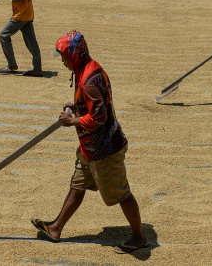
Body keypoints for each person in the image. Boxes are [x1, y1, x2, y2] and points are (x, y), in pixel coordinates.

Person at [31, 31, 147, 254]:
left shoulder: (88, 81)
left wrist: (72, 120)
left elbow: (100, 117)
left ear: (73, 56)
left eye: (64, 57)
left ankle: (139, 237)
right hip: (90, 147)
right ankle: (55, 228)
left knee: (122, 193)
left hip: (105, 150)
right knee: (78, 185)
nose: (63, 61)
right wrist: (77, 107)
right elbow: (94, 107)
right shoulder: (87, 68)